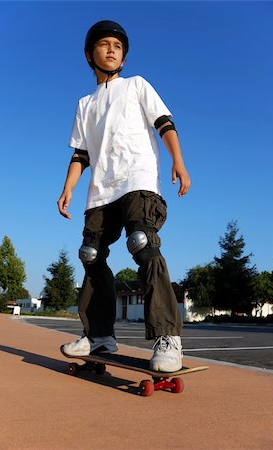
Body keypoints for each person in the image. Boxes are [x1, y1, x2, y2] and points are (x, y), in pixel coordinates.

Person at [58, 20, 190, 372]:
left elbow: (164, 122)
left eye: (118, 45)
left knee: (142, 243)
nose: (112, 49)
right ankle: (100, 334)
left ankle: (167, 336)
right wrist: (68, 186)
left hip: (138, 178)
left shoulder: (136, 85)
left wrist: (178, 159)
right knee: (90, 255)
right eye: (104, 44)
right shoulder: (84, 104)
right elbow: (80, 154)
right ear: (90, 55)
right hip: (101, 189)